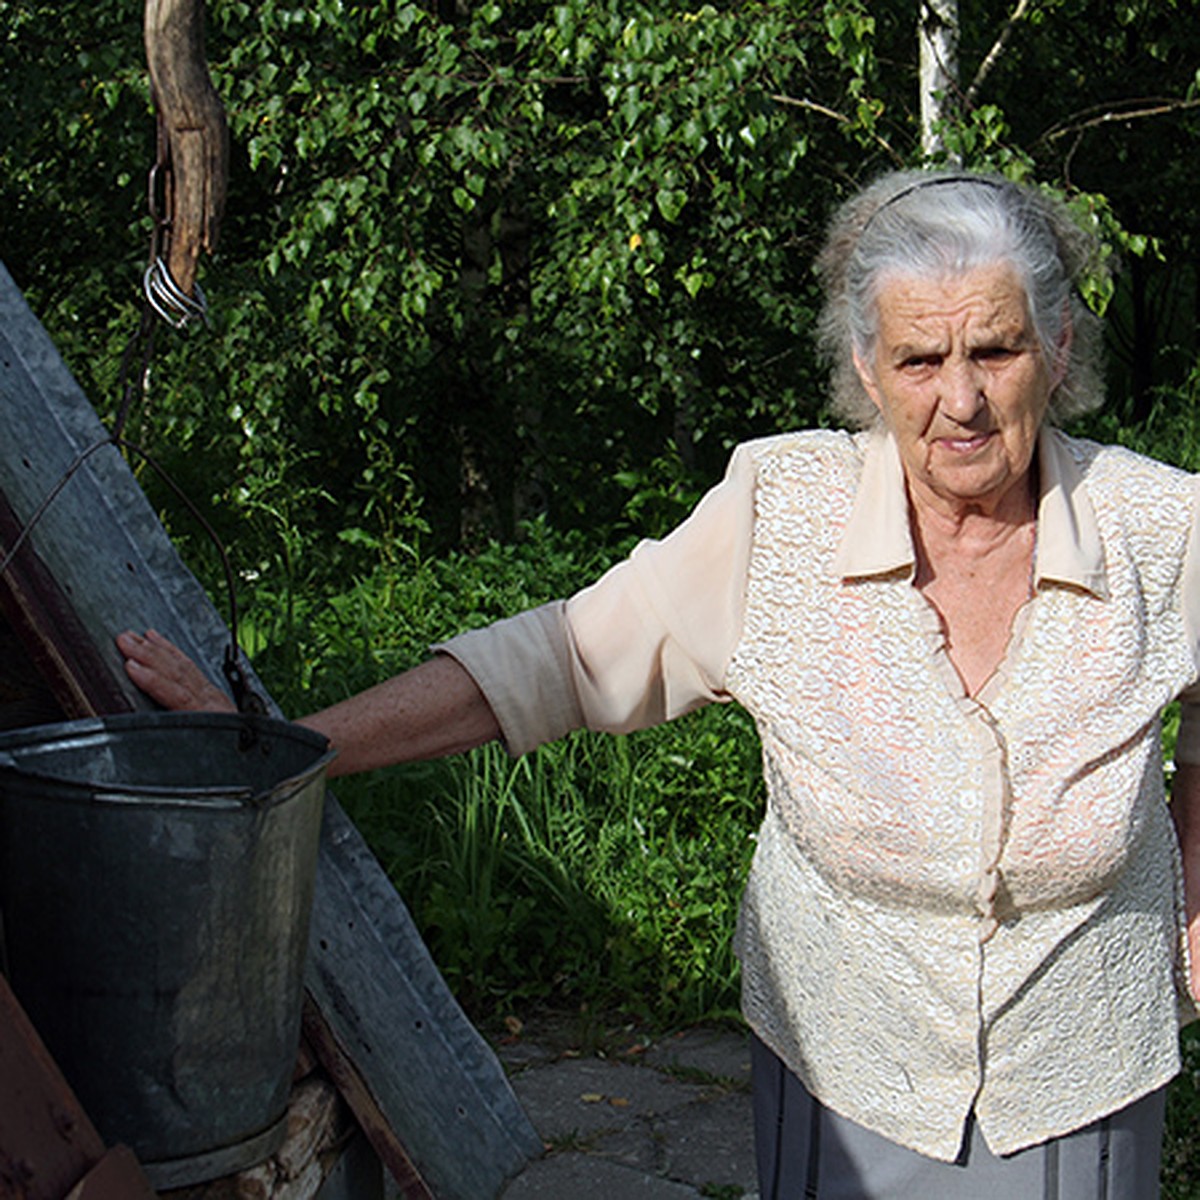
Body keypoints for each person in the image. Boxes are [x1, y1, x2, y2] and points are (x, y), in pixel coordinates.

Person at [119, 168, 1200, 1199]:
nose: (960, 399)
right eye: (921, 360)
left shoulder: (1160, 529)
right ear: (866, 369)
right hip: (847, 1072)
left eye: (996, 350)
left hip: (1078, 1071)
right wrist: (286, 743)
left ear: (1057, 347)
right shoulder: (782, 514)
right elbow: (561, 661)